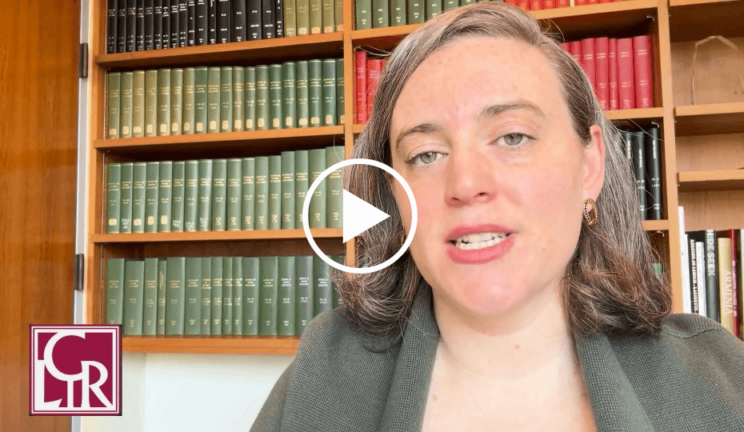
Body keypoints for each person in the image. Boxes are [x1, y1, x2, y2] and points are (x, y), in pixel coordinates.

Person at [251, 3, 744, 431]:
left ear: (589, 165)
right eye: (425, 154)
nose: (466, 184)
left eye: (512, 137)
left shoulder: (719, 381)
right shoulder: (322, 376)